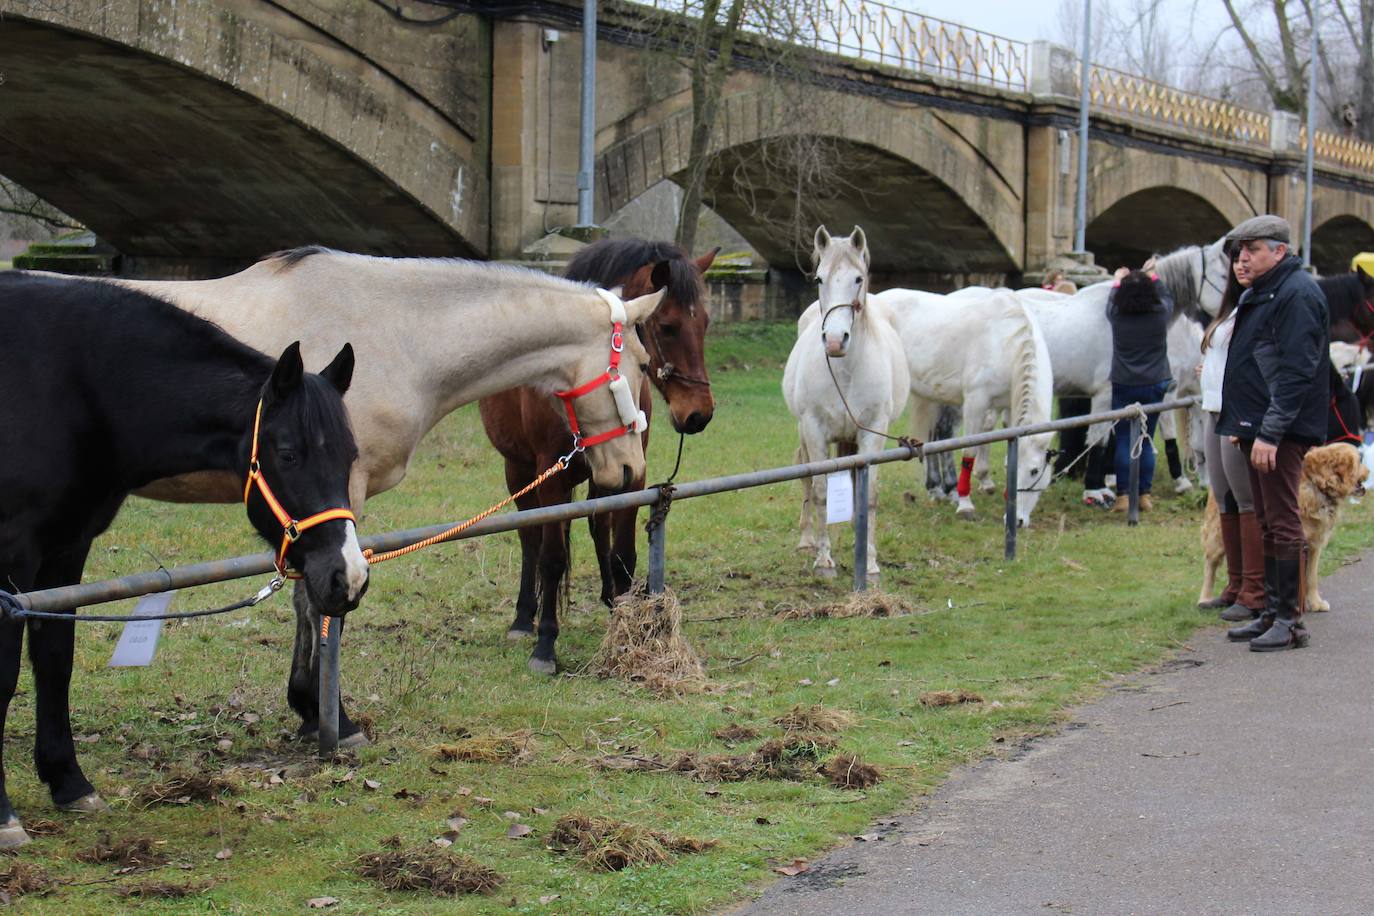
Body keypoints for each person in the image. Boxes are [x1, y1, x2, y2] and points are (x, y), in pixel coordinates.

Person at [1216, 214, 1330, 652]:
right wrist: (1240, 425)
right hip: (1258, 425)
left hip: (1278, 429)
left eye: (1252, 248)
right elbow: (1256, 363)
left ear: (1279, 251)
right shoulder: (1264, 290)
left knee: (1283, 521)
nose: (1242, 257)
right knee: (1266, 518)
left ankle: (1290, 620)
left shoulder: (1296, 294)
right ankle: (1270, 611)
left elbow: (1296, 371)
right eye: (1238, 250)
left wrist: (1270, 432)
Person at [1197, 246, 1266, 621]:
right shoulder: (1234, 307)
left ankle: (1254, 589)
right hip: (1213, 408)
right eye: (1236, 258)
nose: (1241, 263)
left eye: (1249, 255)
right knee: (1225, 498)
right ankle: (1236, 583)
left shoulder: (1259, 306)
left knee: (1246, 499)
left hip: (1234, 412)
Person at [1106, 267, 1174, 512]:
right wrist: (1154, 275)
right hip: (1155, 381)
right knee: (1146, 438)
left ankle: (1124, 495)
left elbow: (1111, 302)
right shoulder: (1160, 315)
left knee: (1124, 438)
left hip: (1124, 381)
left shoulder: (1117, 315)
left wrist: (1117, 281)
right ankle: (1144, 494)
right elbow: (1167, 296)